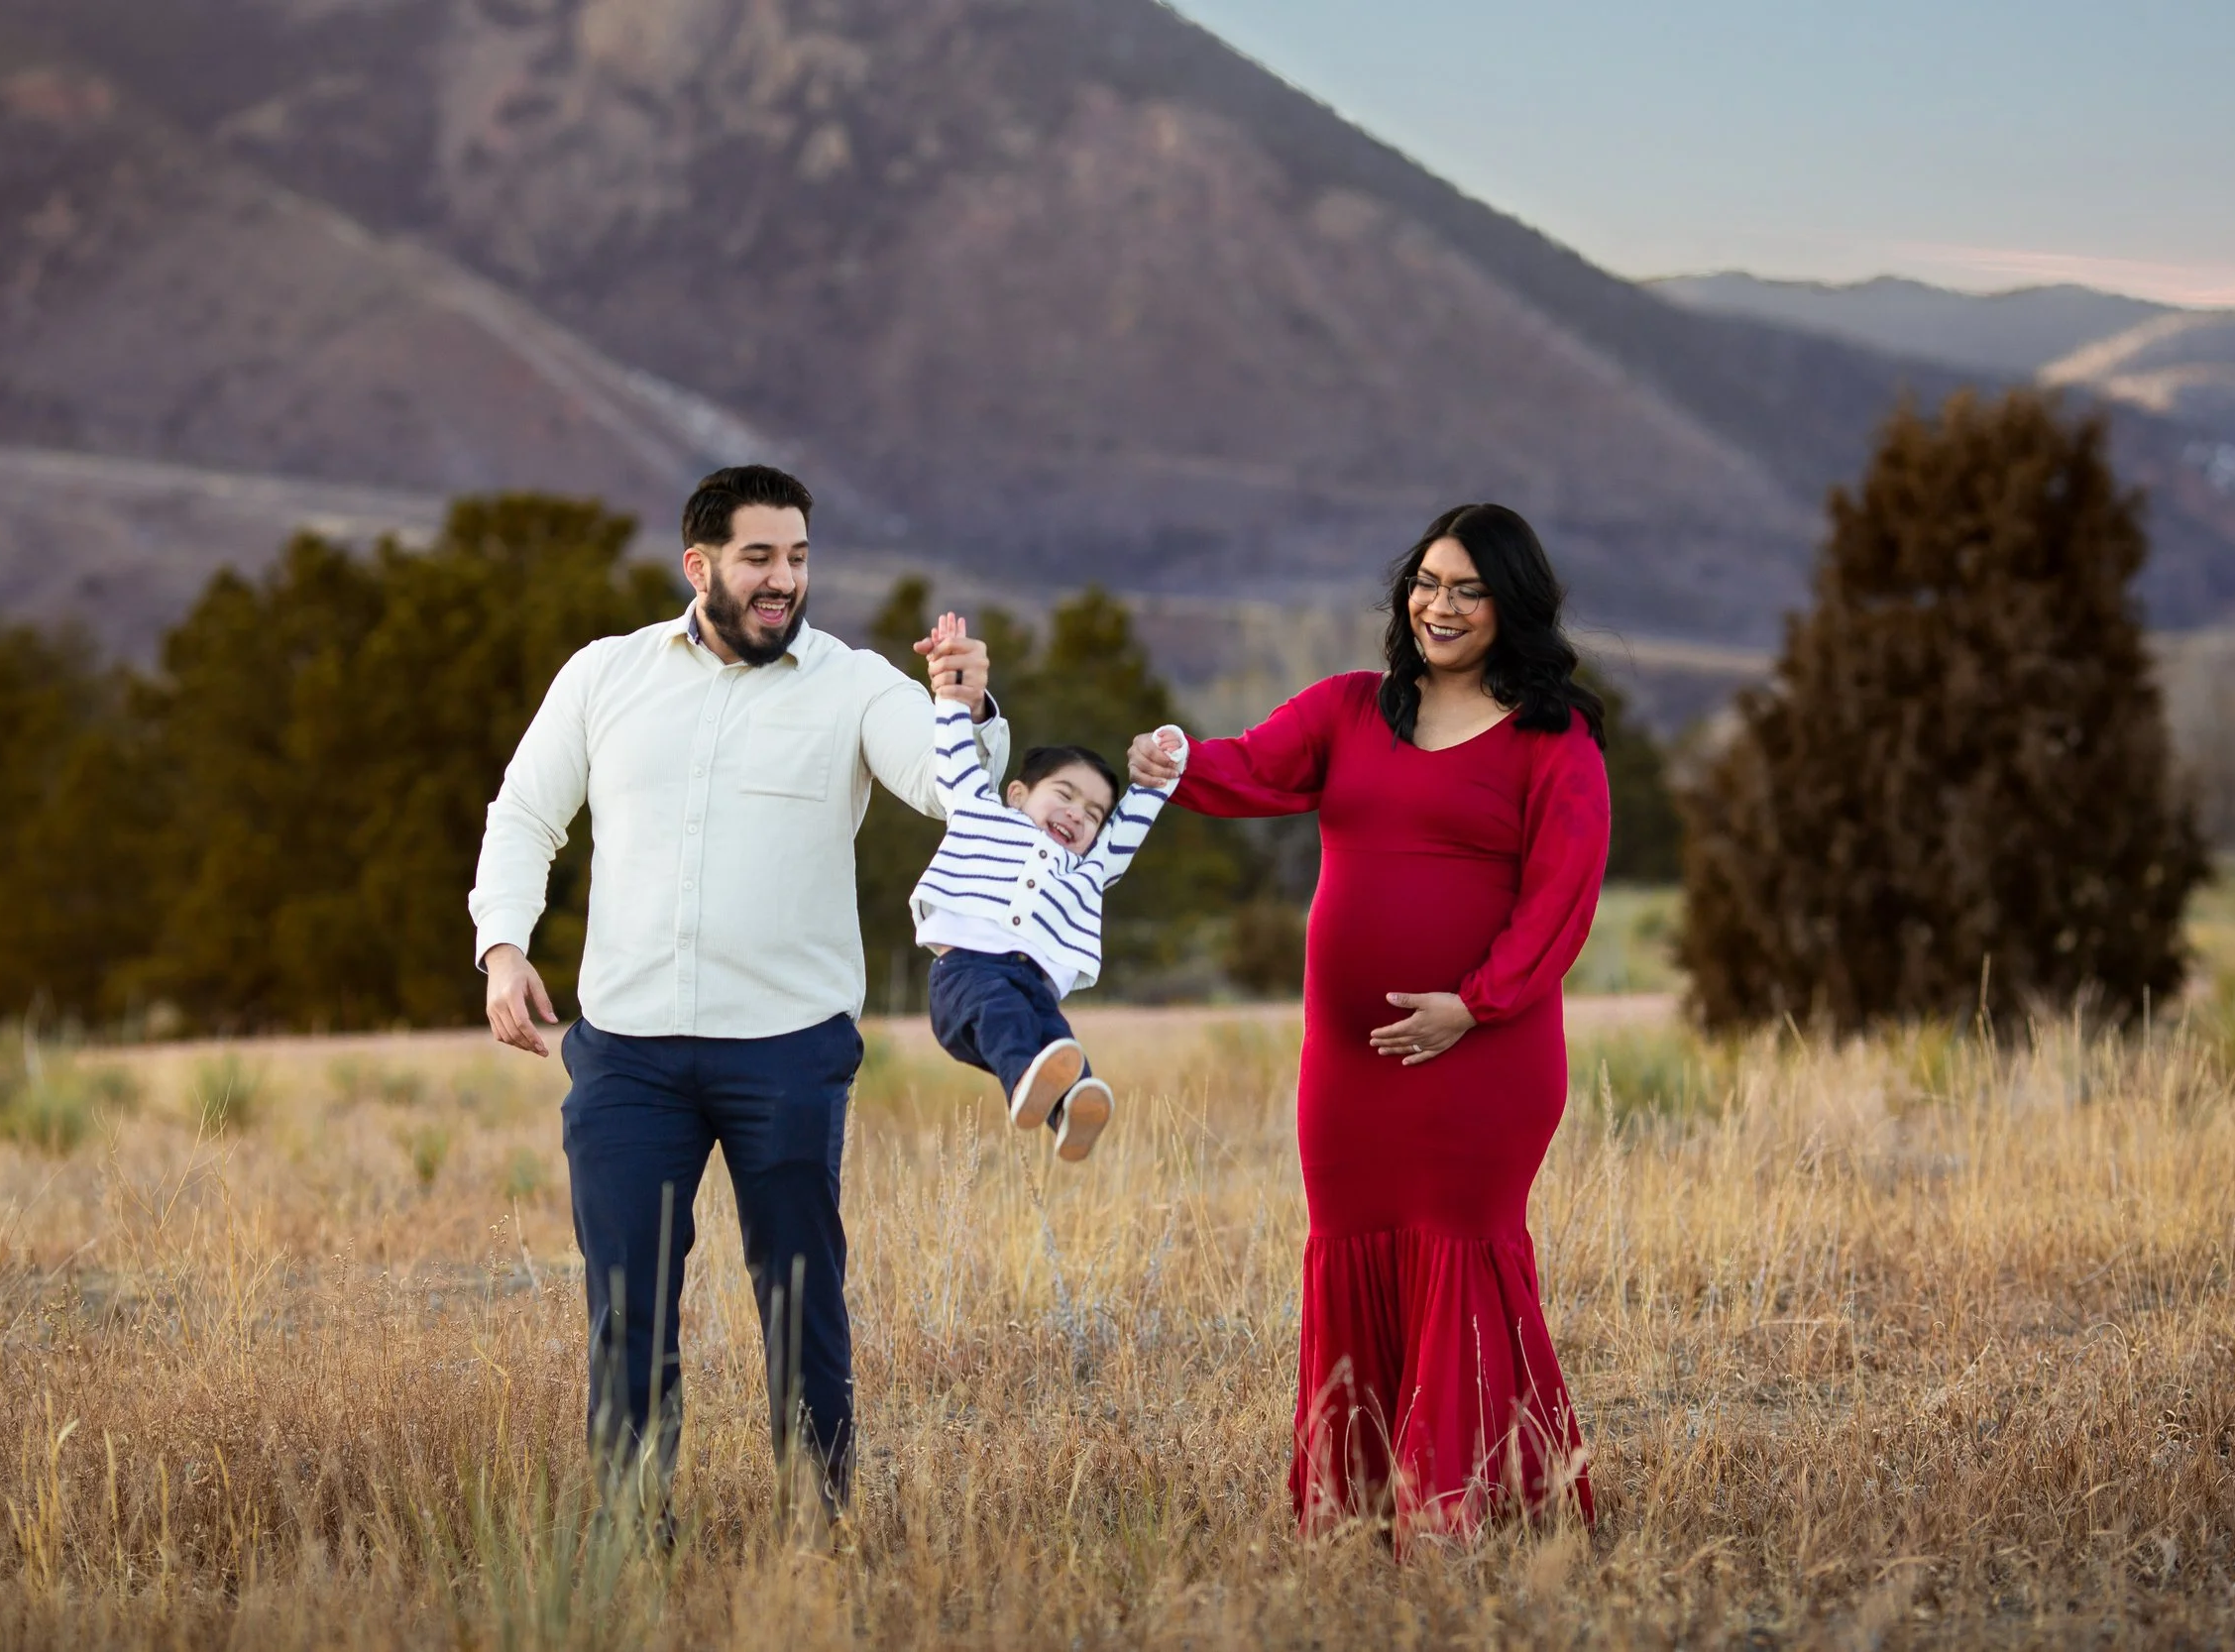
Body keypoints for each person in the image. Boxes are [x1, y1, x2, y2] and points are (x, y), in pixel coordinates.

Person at [468, 465, 1008, 1520]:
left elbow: (957, 789)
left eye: (798, 557)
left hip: (787, 1052)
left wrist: (966, 704)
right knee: (628, 1303)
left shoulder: (851, 683)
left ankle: (819, 1517)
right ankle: (633, 1526)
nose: (783, 580)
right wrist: (502, 945)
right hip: (625, 1056)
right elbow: (526, 811)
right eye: (760, 557)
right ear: (699, 563)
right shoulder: (604, 675)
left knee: (800, 1297)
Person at [1129, 502, 1607, 1540]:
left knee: (1463, 1246)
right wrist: (1169, 760)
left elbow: (1560, 901)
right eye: (1426, 581)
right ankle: (1352, 1511)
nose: (1438, 604)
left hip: (1486, 1058)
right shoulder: (1352, 709)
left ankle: (1464, 1506)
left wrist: (1469, 1006)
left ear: (1509, 605)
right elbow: (1248, 767)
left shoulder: (1552, 739)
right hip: (1346, 1073)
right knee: (1350, 1246)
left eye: (1467, 588)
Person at [907, 612, 1188, 1159]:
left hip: (1033, 982)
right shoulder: (980, 810)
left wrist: (1165, 759)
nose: (1076, 815)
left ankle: (1070, 1115)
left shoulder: (1088, 867)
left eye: (1092, 813)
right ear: (1017, 793)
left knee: (1056, 1037)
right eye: (1063, 794)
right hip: (965, 975)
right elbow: (955, 754)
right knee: (1005, 1017)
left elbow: (1136, 813)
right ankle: (1023, 1086)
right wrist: (950, 695)